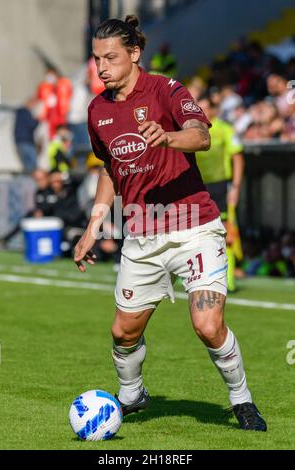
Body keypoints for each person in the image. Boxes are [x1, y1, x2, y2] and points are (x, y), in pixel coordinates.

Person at [73, 15, 267, 432]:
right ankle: (131, 395)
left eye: (110, 58)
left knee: (207, 324)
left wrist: (168, 136)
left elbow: (201, 135)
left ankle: (242, 400)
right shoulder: (97, 110)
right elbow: (109, 168)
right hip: (141, 232)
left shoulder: (166, 89)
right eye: (96, 59)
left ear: (134, 54)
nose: (102, 67)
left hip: (194, 226)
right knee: (124, 332)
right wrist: (94, 225)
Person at [196, 96, 245, 292]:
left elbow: (238, 157)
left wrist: (235, 186)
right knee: (195, 232)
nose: (202, 112)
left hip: (220, 186)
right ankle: (195, 275)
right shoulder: (192, 131)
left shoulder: (225, 129)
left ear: (215, 109)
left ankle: (229, 279)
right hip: (198, 186)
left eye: (206, 108)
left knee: (226, 232)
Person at [14, 98, 39, 173]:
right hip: (27, 141)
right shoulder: (26, 113)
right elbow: (32, 124)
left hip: (20, 142)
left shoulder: (20, 113)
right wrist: (37, 120)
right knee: (32, 165)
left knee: (27, 165)